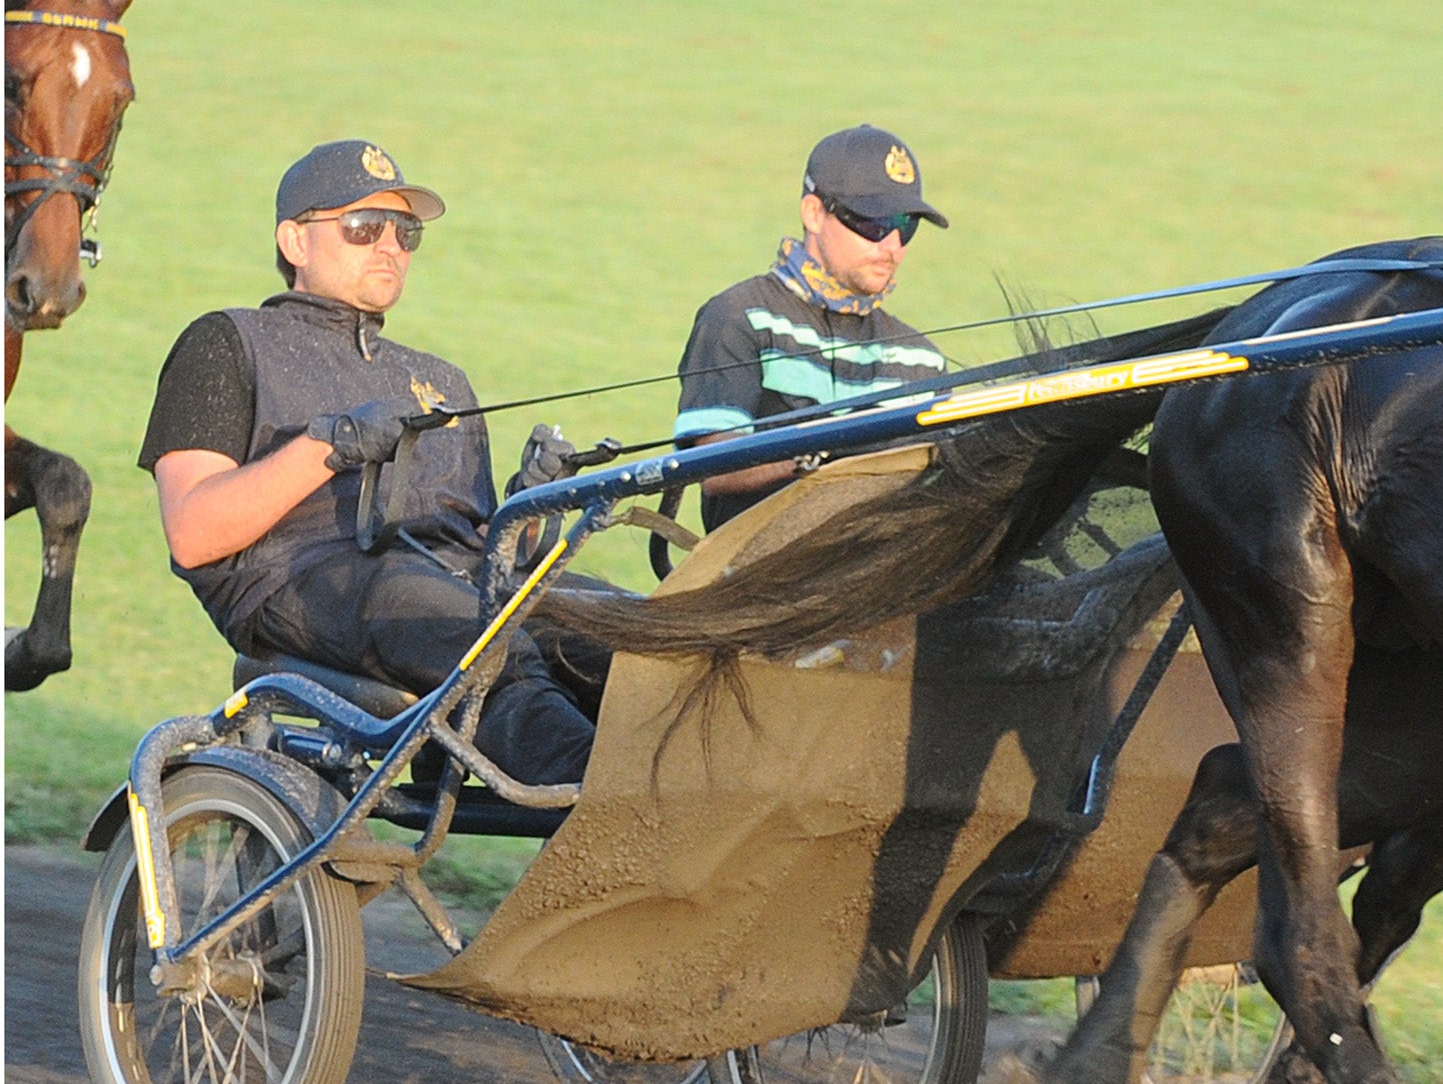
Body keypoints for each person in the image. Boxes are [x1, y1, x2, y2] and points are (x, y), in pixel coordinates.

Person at [139, 140, 599, 787]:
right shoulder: (228, 342)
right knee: (492, 647)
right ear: (295, 242)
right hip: (302, 580)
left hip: (444, 581)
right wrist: (332, 444)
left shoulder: (439, 381)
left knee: (635, 639)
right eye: (363, 227)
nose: (390, 246)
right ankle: (614, 814)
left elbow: (482, 554)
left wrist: (529, 503)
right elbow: (192, 533)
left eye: (405, 232)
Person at [671, 124, 950, 530]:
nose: (892, 247)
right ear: (814, 214)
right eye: (874, 224)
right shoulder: (738, 317)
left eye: (906, 225)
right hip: (757, 573)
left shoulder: (923, 360)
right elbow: (715, 468)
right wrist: (827, 450)